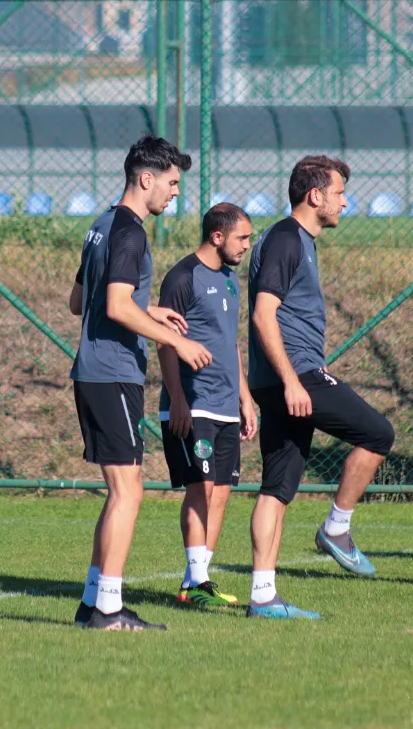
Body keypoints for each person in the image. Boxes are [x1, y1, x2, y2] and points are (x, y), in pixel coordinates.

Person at [69, 135, 212, 633]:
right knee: (129, 492)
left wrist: (149, 310)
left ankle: (93, 602)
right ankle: (109, 607)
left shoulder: (100, 223)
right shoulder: (130, 231)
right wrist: (180, 344)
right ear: (146, 179)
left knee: (120, 491)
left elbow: (78, 301)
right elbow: (113, 306)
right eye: (172, 183)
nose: (175, 193)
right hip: (112, 371)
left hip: (94, 371)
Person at [246, 155, 395, 620]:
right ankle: (336, 528)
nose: (345, 202)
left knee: (277, 488)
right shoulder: (288, 240)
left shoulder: (298, 241)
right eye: (338, 193)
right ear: (315, 196)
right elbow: (263, 314)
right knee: (379, 433)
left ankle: (263, 596)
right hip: (295, 380)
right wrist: (293, 379)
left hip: (288, 377)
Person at [157, 203, 258, 610]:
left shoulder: (232, 280)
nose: (247, 246)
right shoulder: (182, 278)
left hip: (225, 406)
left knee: (221, 492)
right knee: (200, 489)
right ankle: (198, 580)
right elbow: (165, 339)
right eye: (242, 238)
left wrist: (245, 399)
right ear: (218, 237)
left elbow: (228, 342)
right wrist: (178, 399)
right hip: (193, 404)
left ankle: (195, 582)